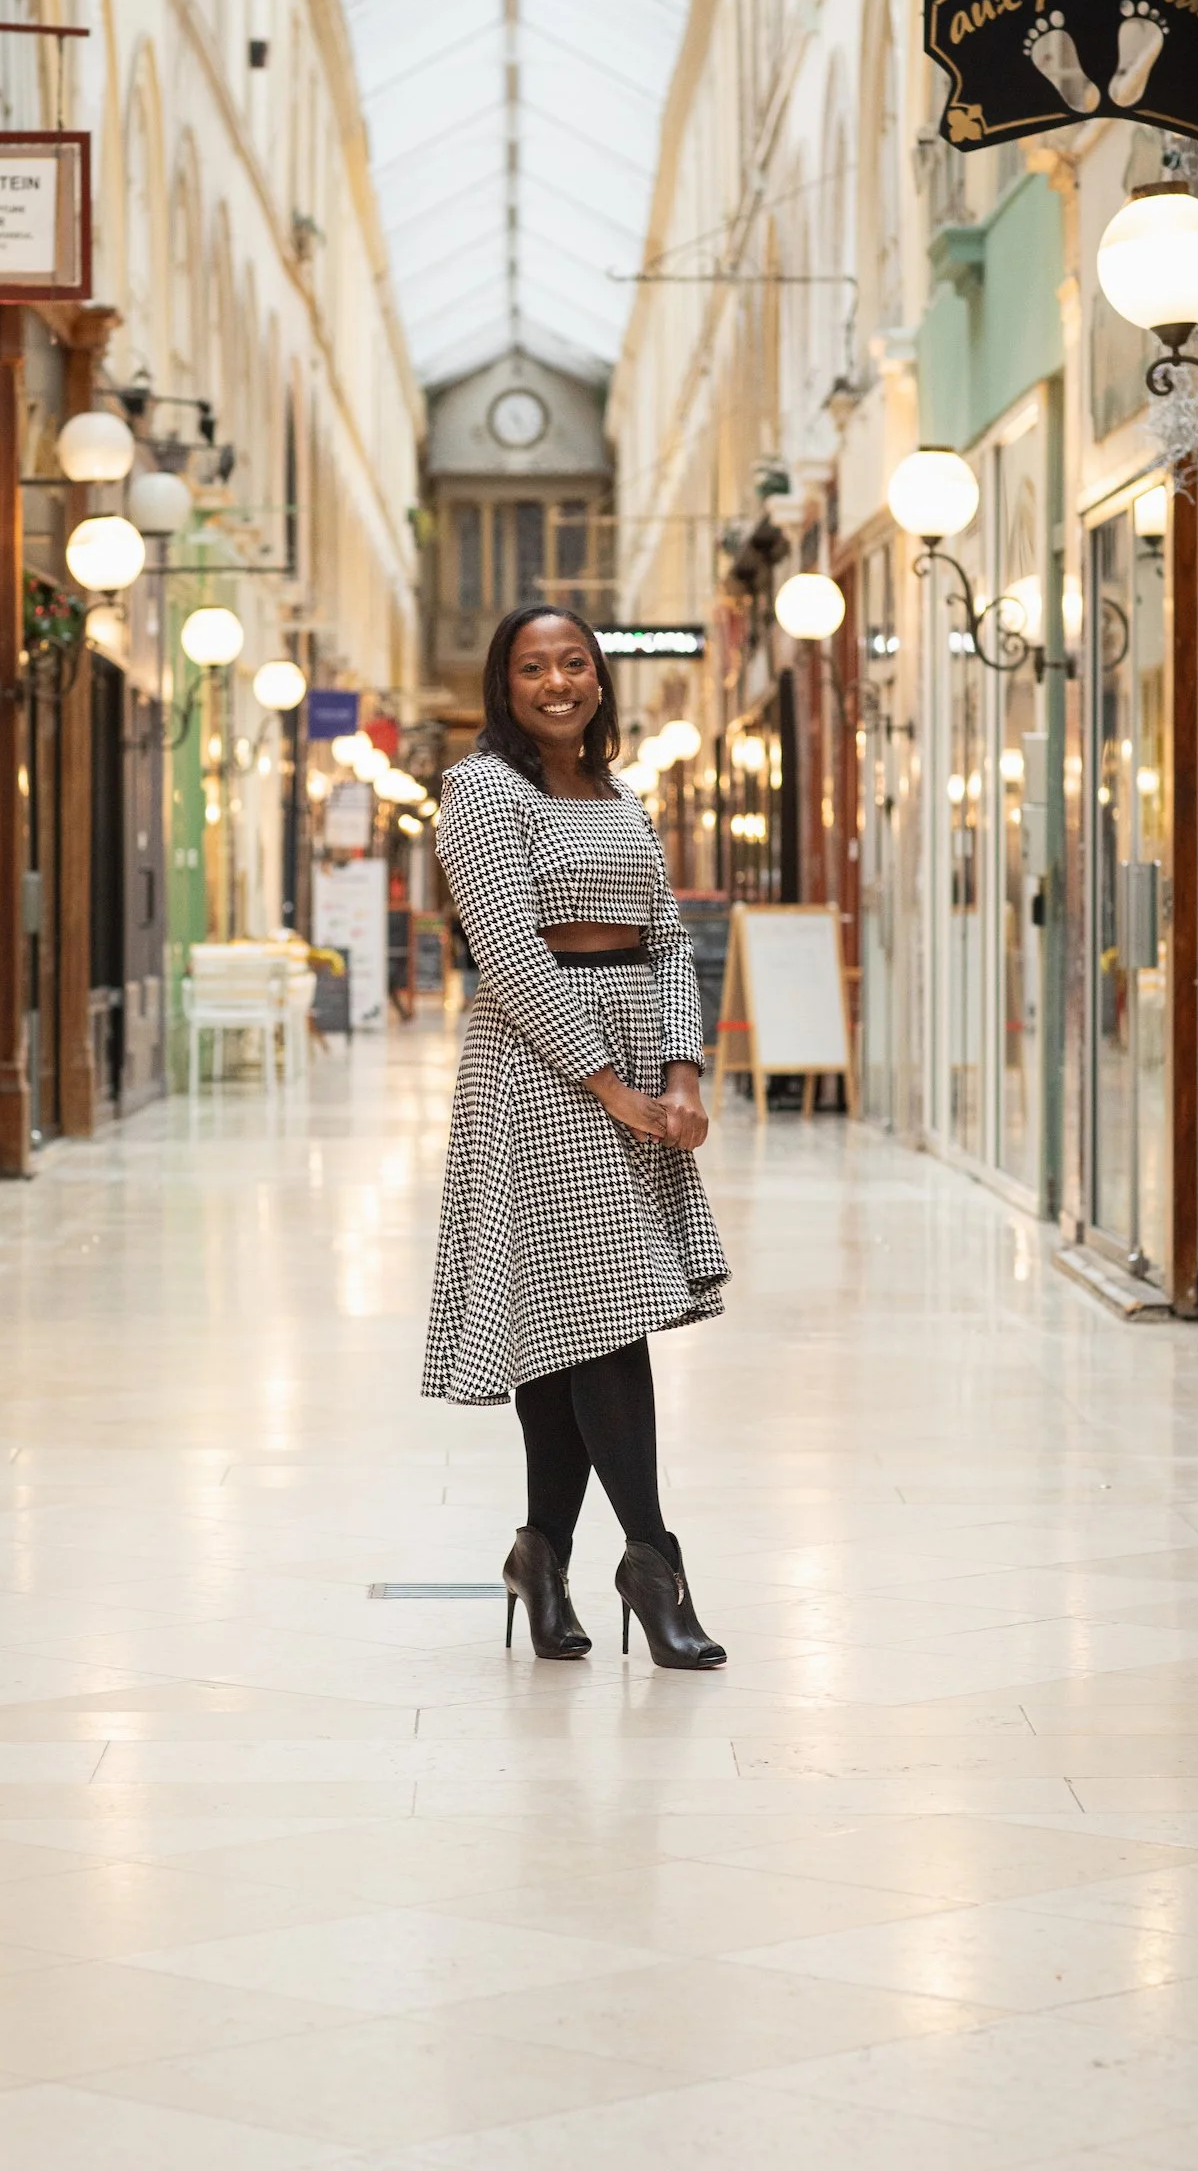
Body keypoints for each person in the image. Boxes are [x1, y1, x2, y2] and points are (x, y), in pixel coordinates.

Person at [423, 604, 729, 1669]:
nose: (557, 682)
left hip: (637, 1064)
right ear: (502, 688)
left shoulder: (621, 795)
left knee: (569, 1321)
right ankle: (652, 1559)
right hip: (537, 1073)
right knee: (607, 1318)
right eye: (531, 667)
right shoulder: (479, 793)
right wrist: (611, 1086)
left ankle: (540, 1556)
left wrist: (680, 1071)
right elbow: (507, 951)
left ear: (599, 678)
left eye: (574, 663)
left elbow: (667, 940)